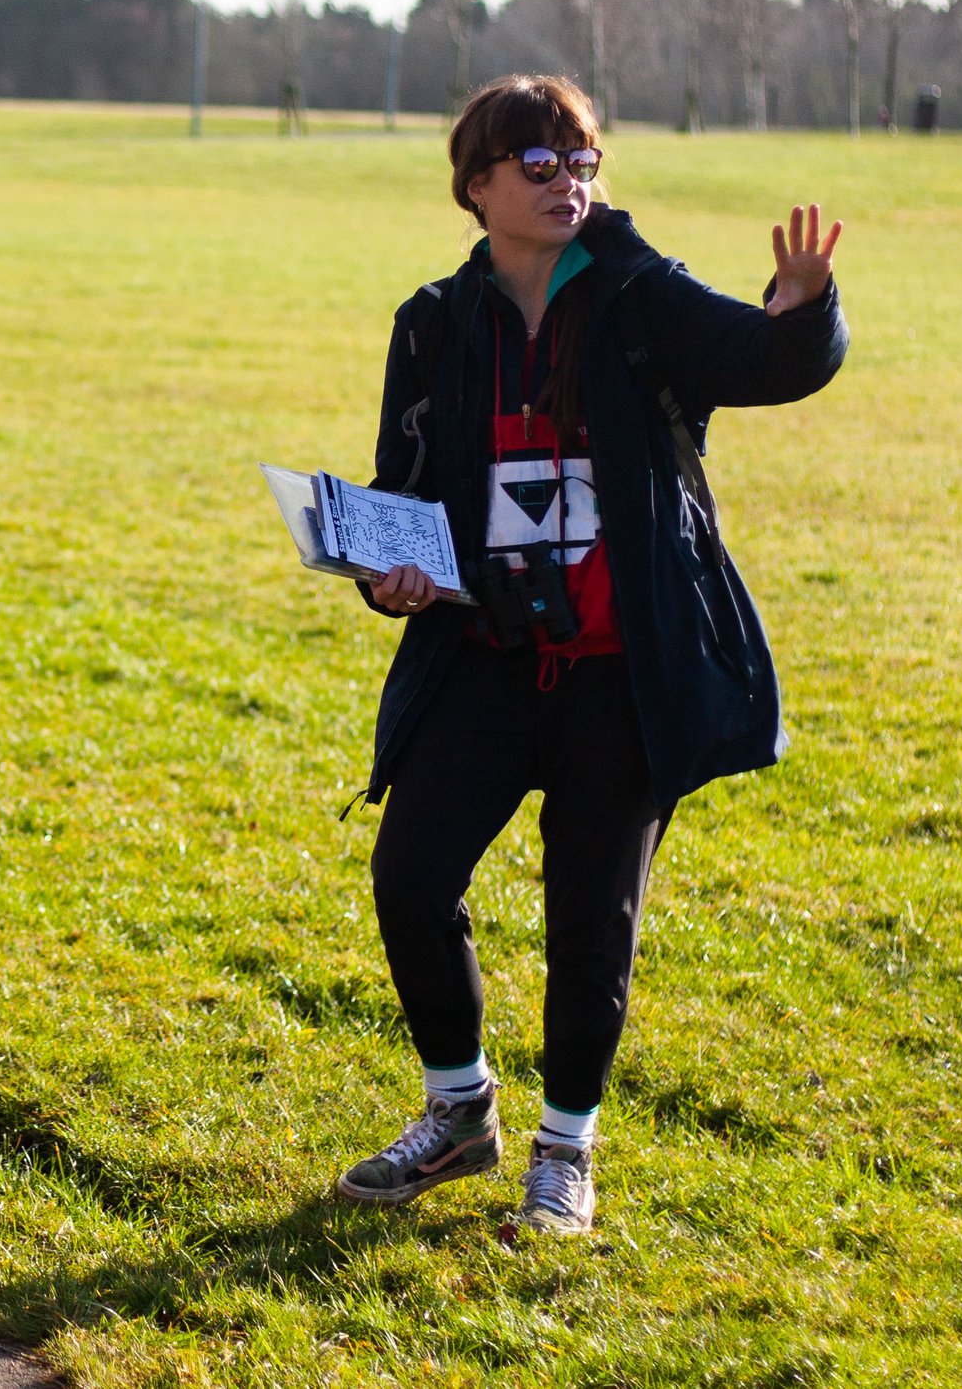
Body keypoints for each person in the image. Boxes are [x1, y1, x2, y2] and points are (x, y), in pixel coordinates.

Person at [334, 74, 848, 1234]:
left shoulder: (639, 297)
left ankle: (565, 1150)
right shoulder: (432, 321)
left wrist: (805, 308)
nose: (566, 181)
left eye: (581, 161)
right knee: (410, 875)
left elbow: (769, 359)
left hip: (621, 673)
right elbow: (401, 487)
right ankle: (458, 1111)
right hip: (481, 657)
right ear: (476, 186)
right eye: (538, 164)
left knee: (589, 921)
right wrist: (384, 571)